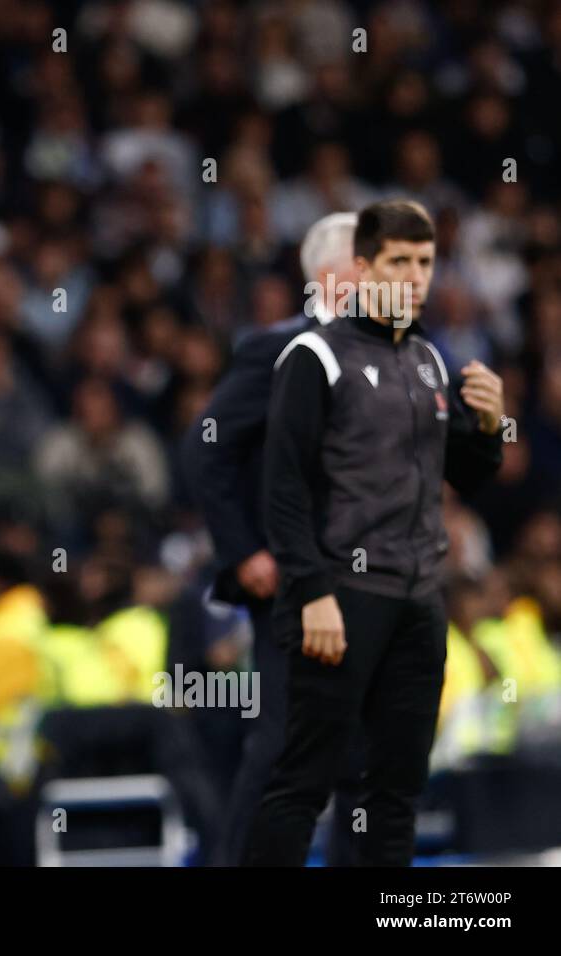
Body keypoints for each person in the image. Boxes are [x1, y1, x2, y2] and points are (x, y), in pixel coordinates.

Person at [242, 199, 505, 865]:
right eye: (399, 262)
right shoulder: (314, 355)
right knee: (304, 781)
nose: (415, 277)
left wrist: (490, 426)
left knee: (396, 790)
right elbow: (283, 487)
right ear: (362, 267)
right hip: (341, 594)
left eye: (425, 263)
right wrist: (311, 592)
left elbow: (465, 479)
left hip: (418, 599)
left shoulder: (425, 360)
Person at [180, 211, 363, 865]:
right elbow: (206, 448)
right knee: (286, 740)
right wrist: (243, 550)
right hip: (289, 579)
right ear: (335, 273)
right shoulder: (279, 347)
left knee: (364, 750)